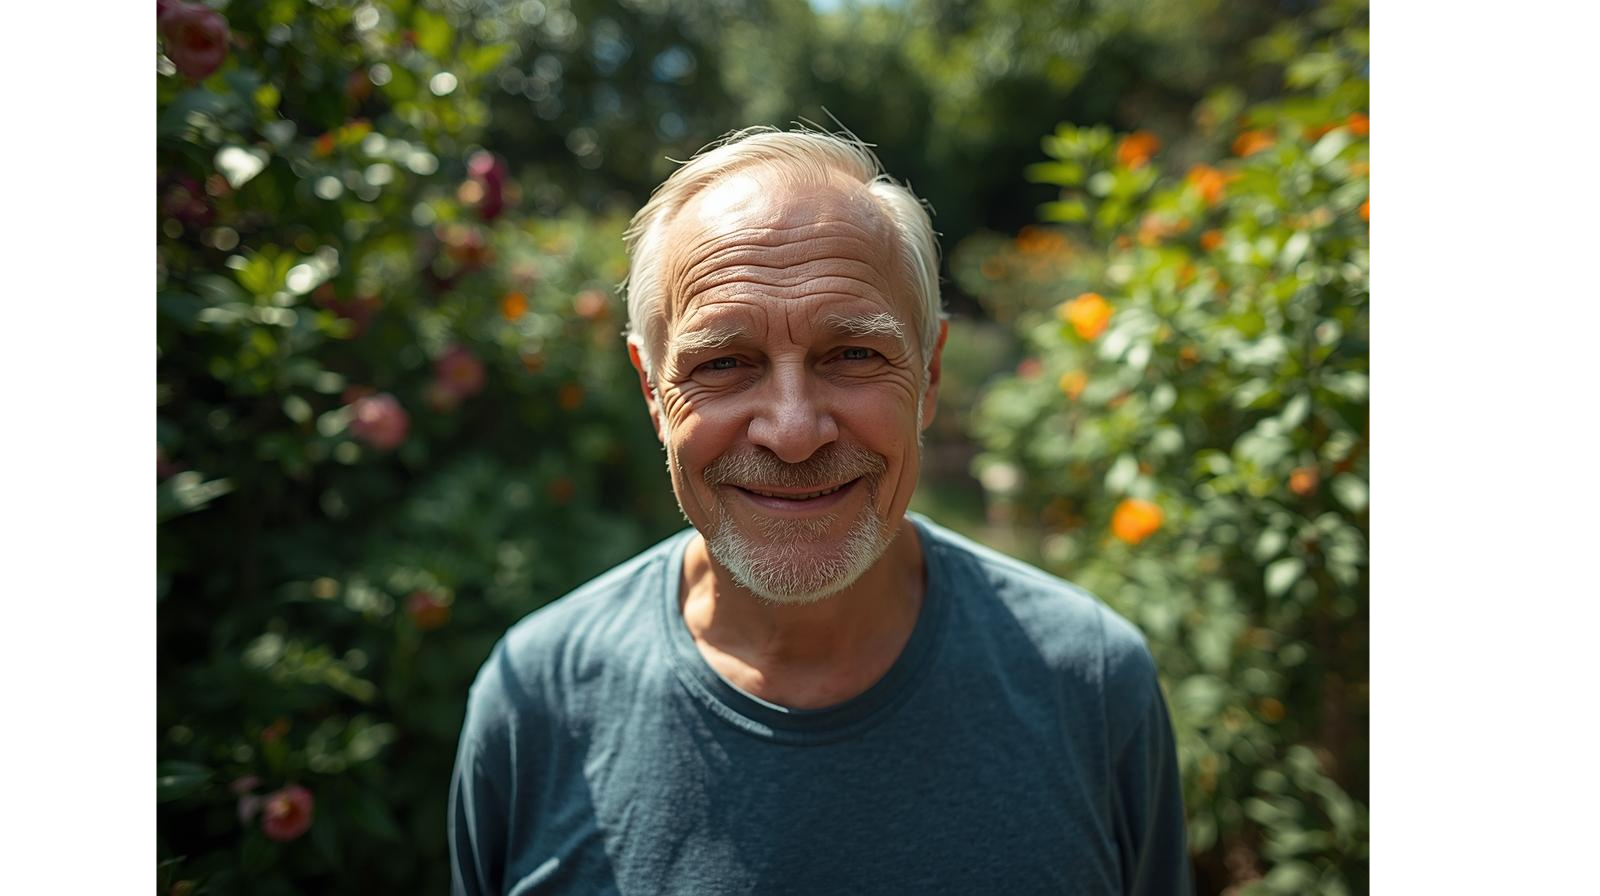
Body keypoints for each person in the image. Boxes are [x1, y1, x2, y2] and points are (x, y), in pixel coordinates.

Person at [448, 126, 1192, 895]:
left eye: (853, 354)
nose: (794, 431)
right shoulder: (533, 703)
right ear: (652, 392)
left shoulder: (1092, 687)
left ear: (929, 373)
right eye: (725, 363)